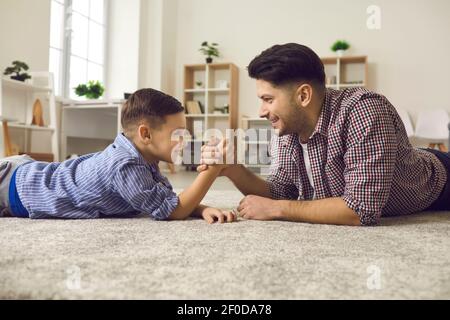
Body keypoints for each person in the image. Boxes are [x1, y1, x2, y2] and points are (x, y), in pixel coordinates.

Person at [198, 43, 450, 226]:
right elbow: (280, 191)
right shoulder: (286, 127)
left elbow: (360, 210)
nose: (261, 111)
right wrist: (232, 169)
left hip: (439, 183)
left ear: (304, 95)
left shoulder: (363, 110)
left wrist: (278, 210)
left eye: (268, 99)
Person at [0, 88, 235, 224]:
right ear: (146, 134)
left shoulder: (145, 159)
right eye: (178, 135)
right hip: (16, 188)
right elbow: (172, 212)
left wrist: (201, 208)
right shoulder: (126, 165)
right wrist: (213, 171)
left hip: (28, 171)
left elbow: (169, 200)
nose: (185, 142)